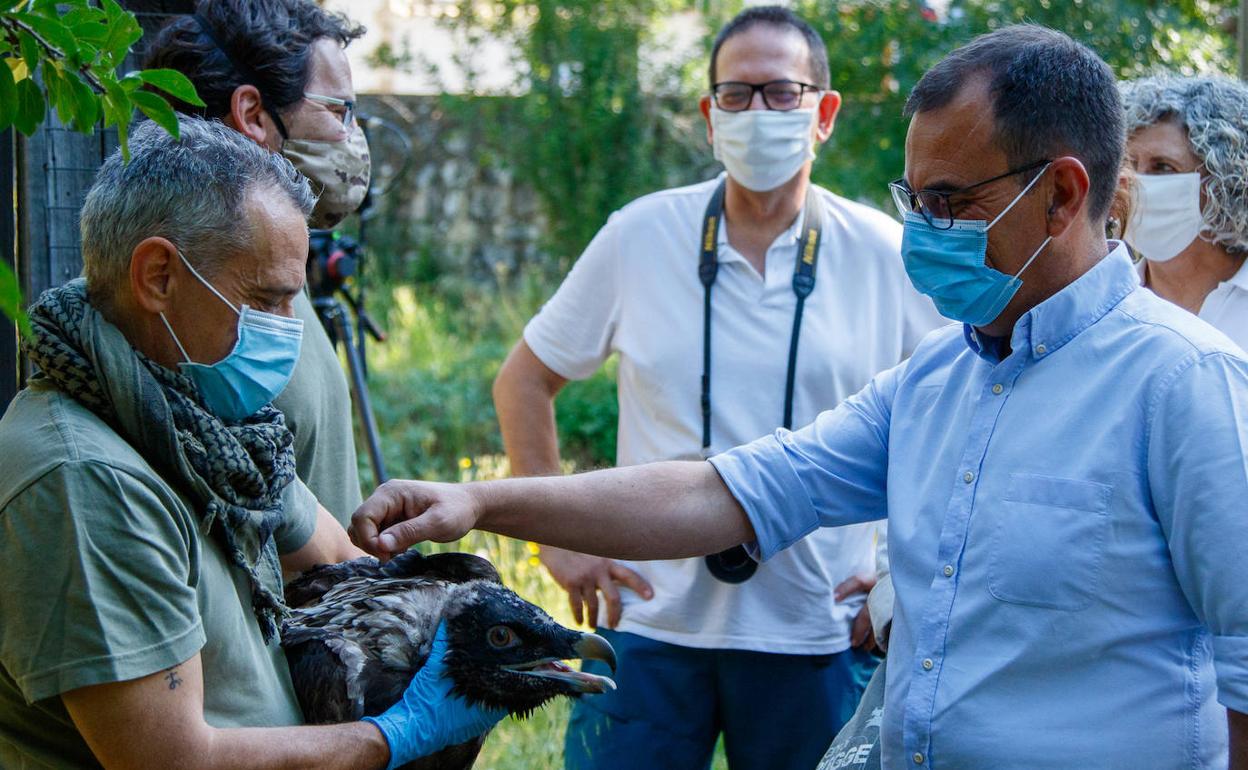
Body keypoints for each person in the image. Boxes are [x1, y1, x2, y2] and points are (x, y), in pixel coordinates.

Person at [352, 26, 1248, 769]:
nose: (923, 231)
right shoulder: (939, 382)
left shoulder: (1183, 383)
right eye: (913, 198)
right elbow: (723, 491)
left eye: (947, 200)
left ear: (1059, 194)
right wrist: (479, 502)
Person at [492, 7, 942, 768]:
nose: (756, 113)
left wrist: (901, 569)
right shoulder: (641, 234)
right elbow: (524, 380)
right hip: (649, 627)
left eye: (779, 92)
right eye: (735, 96)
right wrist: (557, 542)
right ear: (708, 115)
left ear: (824, 113)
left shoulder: (884, 251)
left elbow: (952, 416)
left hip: (817, 633)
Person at [0, 117, 501, 769]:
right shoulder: (85, 480)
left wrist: (456, 612)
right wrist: (395, 736)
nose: (288, 335)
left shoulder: (201, 424)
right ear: (157, 276)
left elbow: (340, 556)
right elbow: (171, 760)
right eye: (266, 299)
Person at [143, 0, 371, 524]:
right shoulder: (199, 307)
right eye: (339, 111)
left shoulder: (272, 264)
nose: (354, 136)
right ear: (252, 115)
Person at [1120, 75, 1248, 351]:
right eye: (1128, 165)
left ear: (1226, 181)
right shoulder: (1106, 304)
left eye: (1163, 167)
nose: (1135, 182)